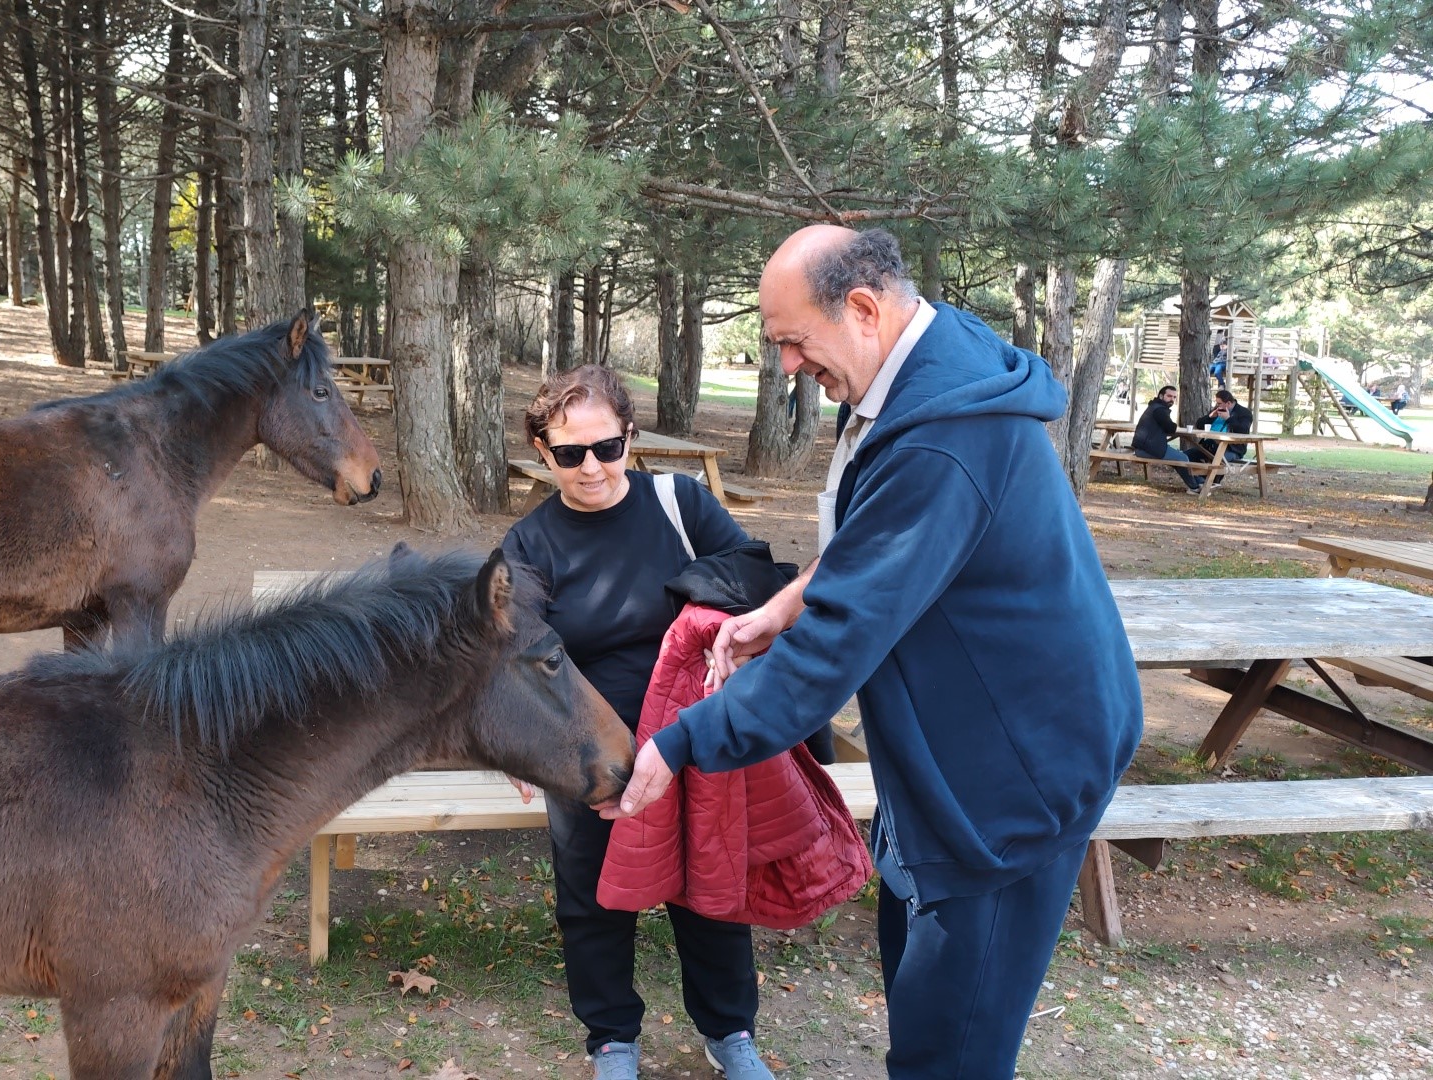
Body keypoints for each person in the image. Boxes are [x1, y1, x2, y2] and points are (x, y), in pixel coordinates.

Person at [608, 226, 1144, 1079]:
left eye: (793, 341)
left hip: (1011, 782)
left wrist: (677, 744)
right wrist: (789, 599)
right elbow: (881, 539)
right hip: (946, 758)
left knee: (948, 1053)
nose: (786, 365)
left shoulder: (942, 436)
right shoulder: (924, 362)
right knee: (917, 999)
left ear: (862, 307)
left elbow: (831, 657)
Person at [500, 365, 778, 1080]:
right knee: (592, 895)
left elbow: (751, 568)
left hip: (694, 736)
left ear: (630, 436)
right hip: (589, 749)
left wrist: (699, 617)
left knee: (709, 888)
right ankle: (612, 1039)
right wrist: (523, 747)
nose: (592, 468)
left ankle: (730, 1032)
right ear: (542, 450)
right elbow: (508, 657)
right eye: (570, 454)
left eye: (607, 447)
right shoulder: (528, 545)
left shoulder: (679, 500)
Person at [1132, 385, 1204, 493]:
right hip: (1148, 449)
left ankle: (1199, 482)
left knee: (1177, 458)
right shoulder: (1159, 410)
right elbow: (1170, 427)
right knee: (1183, 458)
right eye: (1169, 396)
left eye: (1174, 397)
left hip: (1144, 447)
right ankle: (1194, 487)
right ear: (1161, 396)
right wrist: (1174, 426)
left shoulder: (1154, 406)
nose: (1172, 399)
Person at [1192, 389, 1252, 484]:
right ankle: (1196, 480)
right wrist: (1210, 417)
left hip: (1232, 449)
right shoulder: (1217, 409)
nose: (1217, 405)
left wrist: (1228, 418)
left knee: (1218, 458)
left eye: (1219, 403)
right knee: (1187, 455)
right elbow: (1199, 425)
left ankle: (1207, 482)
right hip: (1210, 445)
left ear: (1228, 403)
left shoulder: (1244, 413)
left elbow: (1243, 430)